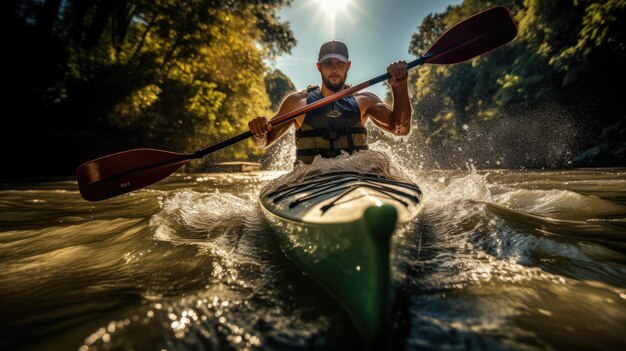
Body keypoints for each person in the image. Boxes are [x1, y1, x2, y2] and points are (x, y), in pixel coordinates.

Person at [248, 40, 412, 164]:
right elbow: (264, 142)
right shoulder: (298, 102)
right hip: (310, 180)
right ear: (319, 67)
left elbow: (401, 129)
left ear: (348, 66)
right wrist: (259, 133)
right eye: (328, 63)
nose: (334, 68)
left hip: (357, 175)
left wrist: (400, 85)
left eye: (339, 63)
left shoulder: (365, 101)